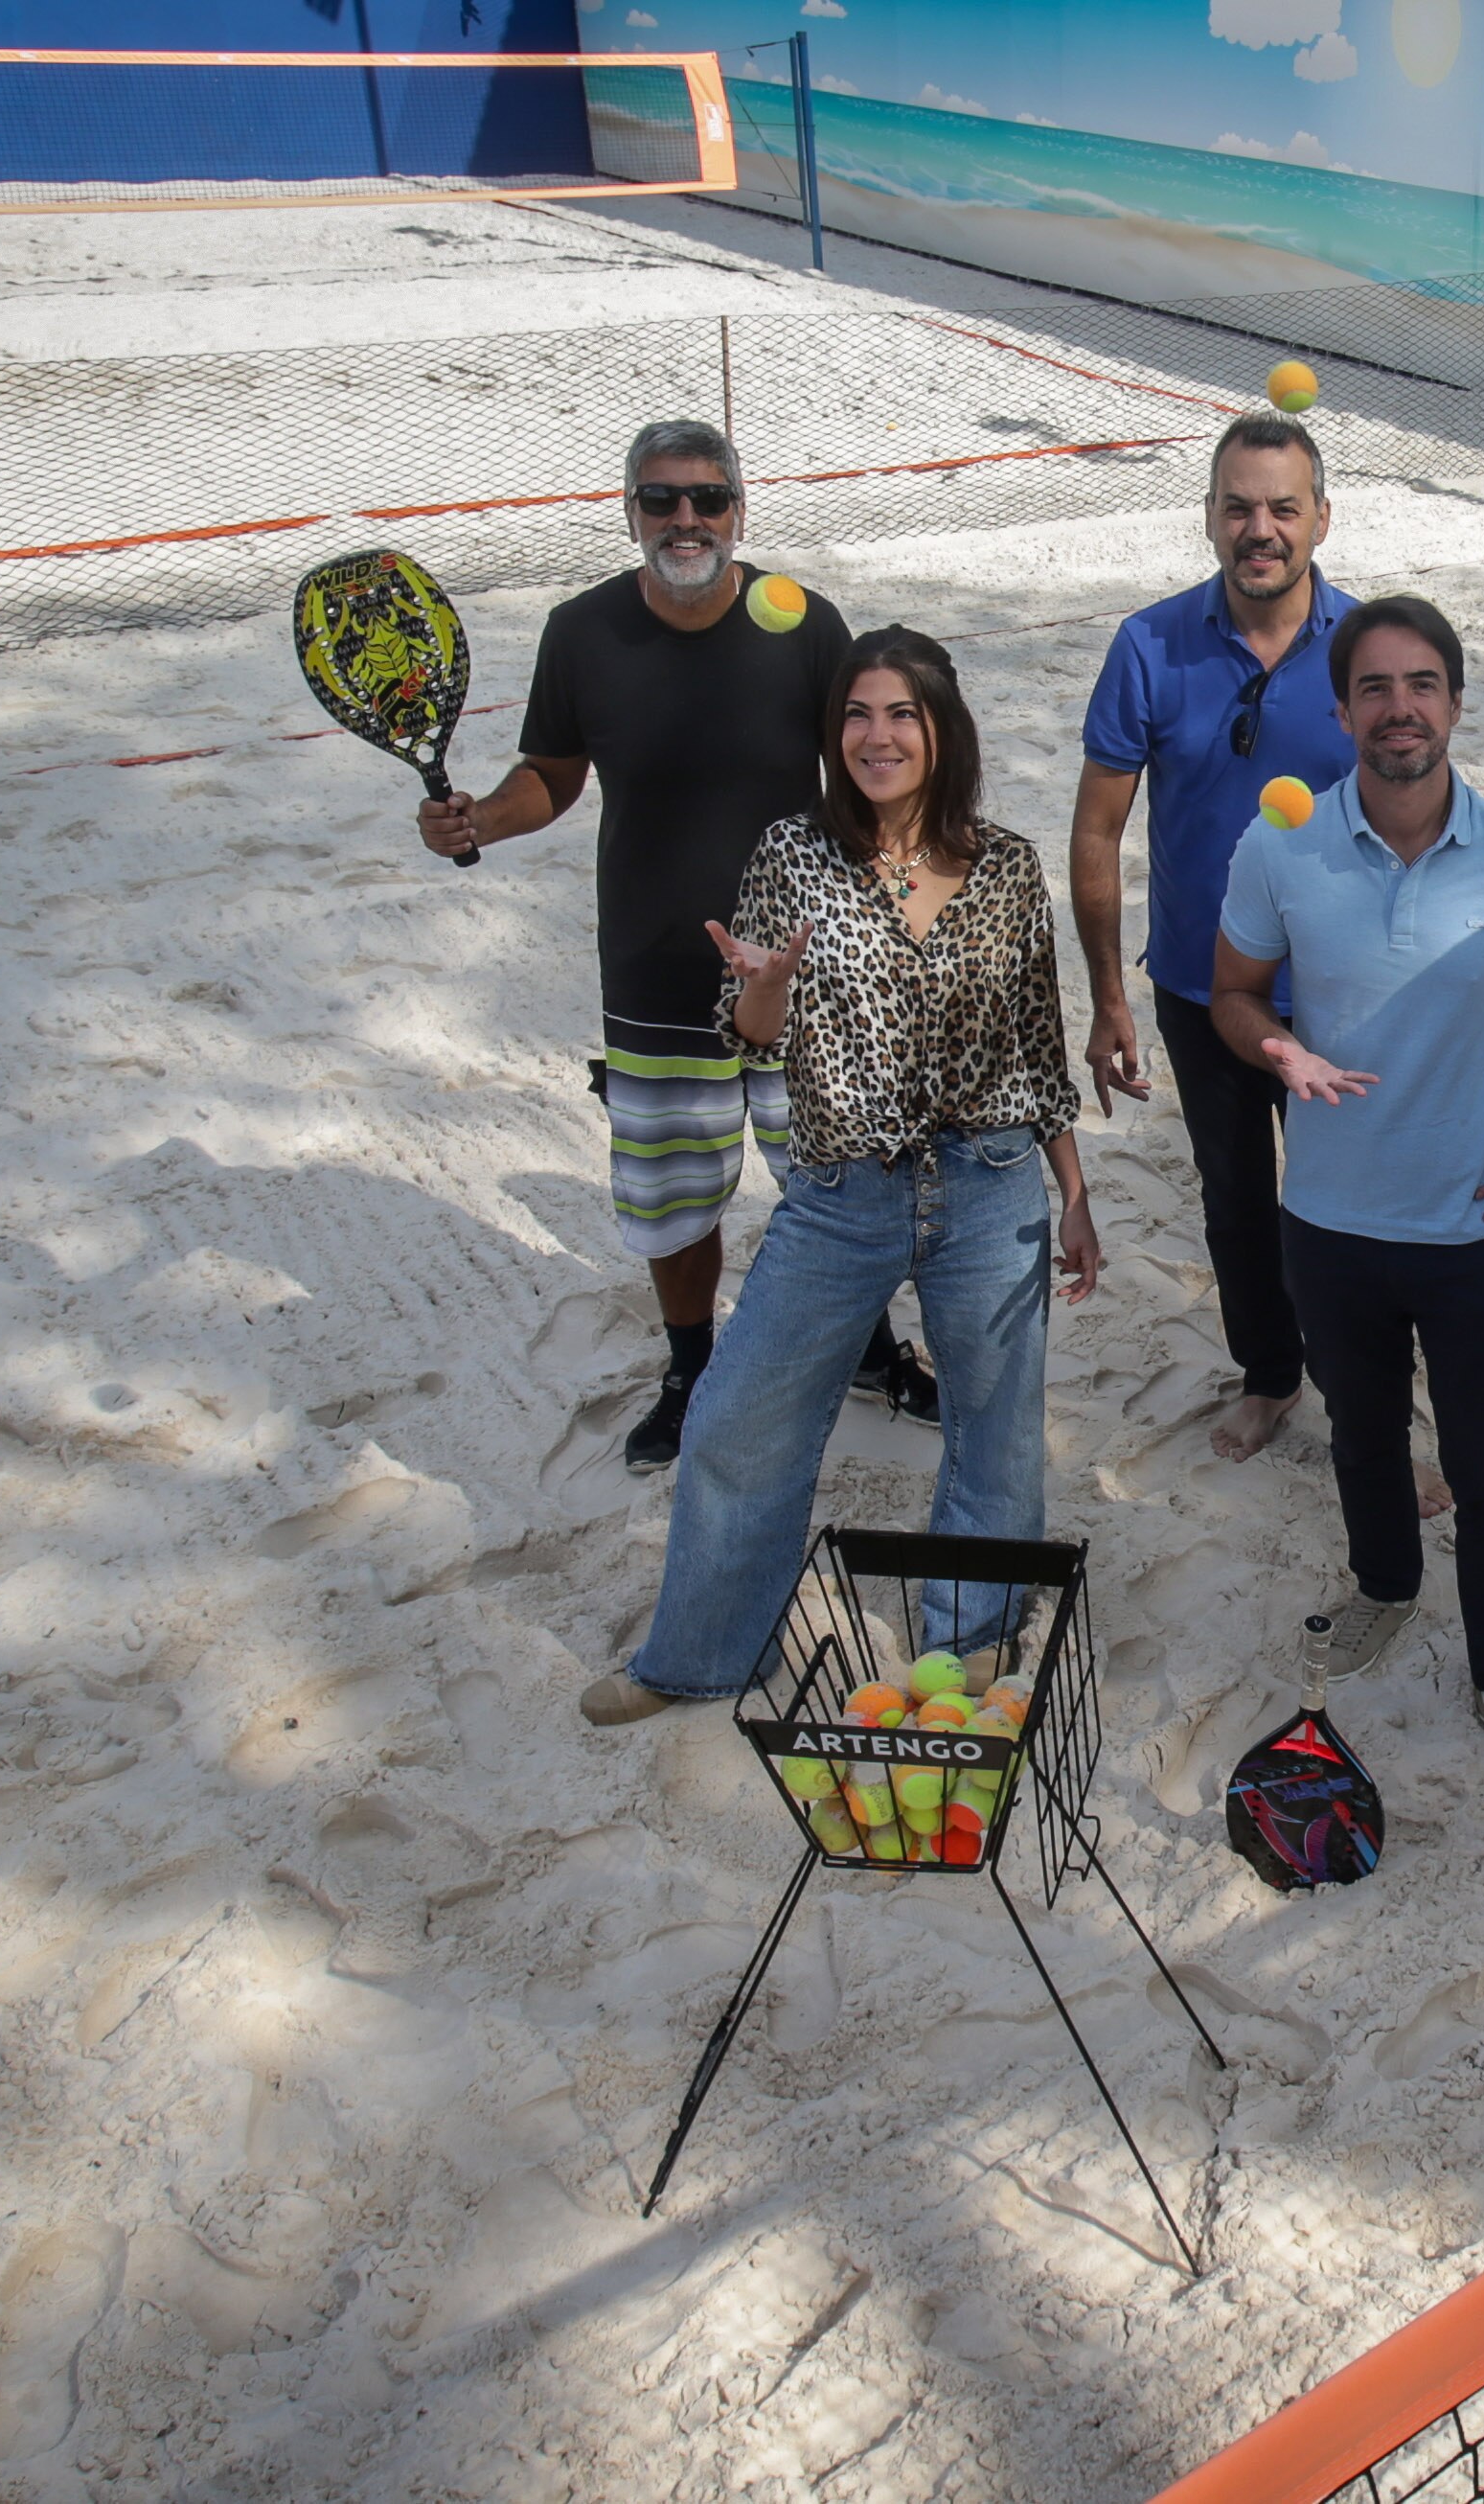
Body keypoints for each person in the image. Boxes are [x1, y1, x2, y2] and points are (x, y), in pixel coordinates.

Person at [593, 629, 1100, 1725]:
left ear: (941, 729)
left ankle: (963, 1657)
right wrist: (766, 986)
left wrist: (1075, 1194)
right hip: (840, 1194)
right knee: (738, 1417)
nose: (877, 736)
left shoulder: (1006, 866)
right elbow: (749, 1033)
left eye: (900, 714)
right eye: (857, 716)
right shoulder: (792, 852)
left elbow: (1033, 1047)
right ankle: (696, 1657)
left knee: (995, 1433)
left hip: (992, 1179)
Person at [420, 419, 931, 1472]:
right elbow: (552, 775)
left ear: (738, 509)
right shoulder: (582, 631)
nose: (684, 519)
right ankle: (691, 1367)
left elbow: (871, 768)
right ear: (630, 510)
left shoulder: (802, 624)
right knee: (672, 1200)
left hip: (804, 969)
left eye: (705, 498)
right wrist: (485, 820)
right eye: (661, 500)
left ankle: (874, 1352)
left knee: (834, 1179)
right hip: (653, 970)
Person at [1209, 596, 1484, 1786]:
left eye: (1423, 684)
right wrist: (1272, 1046)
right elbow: (1232, 990)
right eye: (1376, 688)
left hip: (1471, 1226)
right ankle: (1384, 1587)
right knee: (1361, 1432)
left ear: (1454, 701)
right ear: (1340, 711)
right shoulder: (1278, 845)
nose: (1400, 709)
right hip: (1328, 1225)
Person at [1074, 415, 1357, 1466]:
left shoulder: (1368, 648)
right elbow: (1097, 828)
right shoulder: (1148, 644)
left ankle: (1360, 1388)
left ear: (1320, 519)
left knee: (1349, 1206)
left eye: (1283, 507)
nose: (1260, 529)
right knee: (1236, 1202)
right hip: (1199, 989)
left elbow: (1414, 821)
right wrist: (1109, 996)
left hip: (1338, 990)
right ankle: (1271, 1376)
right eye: (1238, 507)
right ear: (1207, 519)